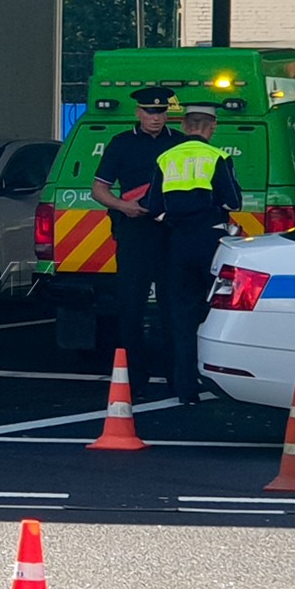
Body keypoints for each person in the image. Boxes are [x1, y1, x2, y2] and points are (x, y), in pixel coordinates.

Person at [142, 102, 241, 405]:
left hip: (178, 241)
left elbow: (153, 206)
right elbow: (234, 201)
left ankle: (185, 388)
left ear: (184, 126)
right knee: (216, 310)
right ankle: (218, 378)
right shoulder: (217, 156)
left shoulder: (165, 157)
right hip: (211, 239)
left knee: (181, 314)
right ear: (211, 127)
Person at [92, 85, 182, 392]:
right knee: (131, 305)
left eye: (161, 112)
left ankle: (176, 374)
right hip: (135, 231)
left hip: (171, 232)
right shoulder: (121, 144)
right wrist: (122, 206)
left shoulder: (180, 144)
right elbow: (99, 189)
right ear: (138, 112)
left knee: (174, 306)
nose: (156, 118)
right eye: (150, 112)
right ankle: (135, 375)